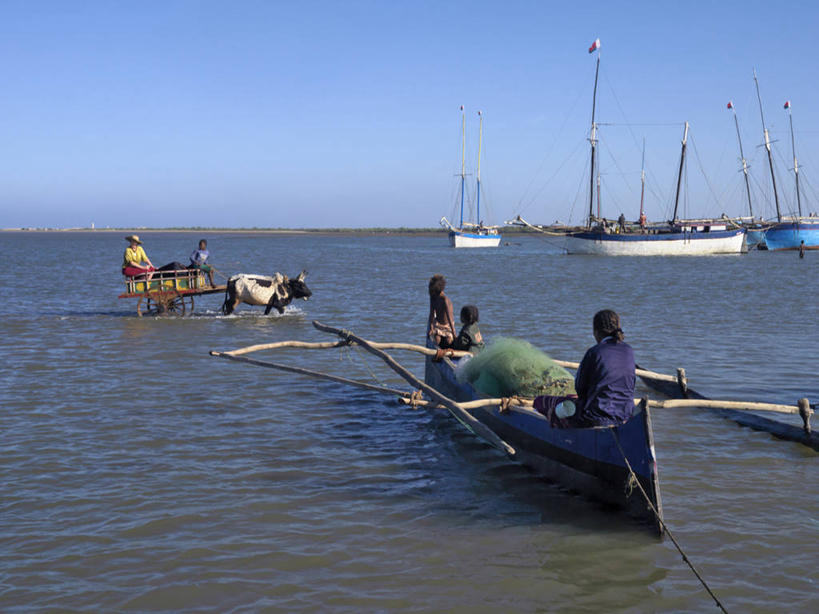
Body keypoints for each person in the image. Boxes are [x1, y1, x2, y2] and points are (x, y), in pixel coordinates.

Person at [534, 309, 636, 428]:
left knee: (541, 401)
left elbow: (580, 388)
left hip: (596, 417)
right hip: (625, 415)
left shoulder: (594, 352)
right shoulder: (629, 350)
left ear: (596, 332)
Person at [427, 274, 456, 347]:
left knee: (449, 341)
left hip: (447, 326)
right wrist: (431, 327)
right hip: (438, 324)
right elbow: (432, 313)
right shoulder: (433, 298)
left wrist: (454, 333)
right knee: (437, 339)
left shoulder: (445, 300)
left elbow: (450, 318)